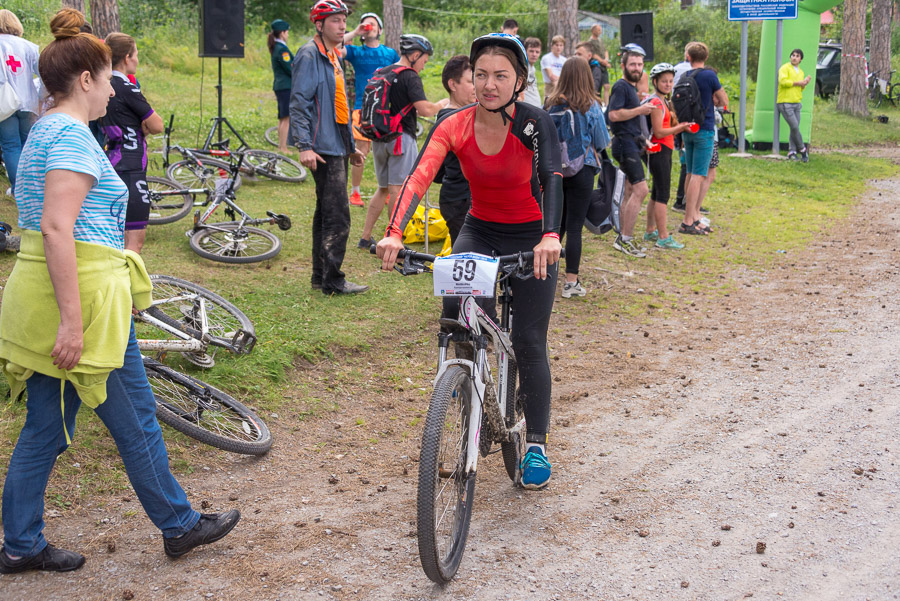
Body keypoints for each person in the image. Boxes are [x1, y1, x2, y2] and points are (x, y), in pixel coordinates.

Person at [0, 8, 240, 575]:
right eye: (109, 78)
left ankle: (29, 541)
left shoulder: (44, 131)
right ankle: (171, 525)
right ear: (85, 79)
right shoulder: (68, 137)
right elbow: (58, 228)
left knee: (64, 424)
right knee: (74, 423)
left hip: (77, 292)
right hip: (80, 298)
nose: (115, 89)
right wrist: (72, 321)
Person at [376, 33, 563, 490]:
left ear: (519, 80)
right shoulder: (453, 123)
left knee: (529, 340)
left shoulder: (535, 122)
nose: (489, 84)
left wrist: (552, 236)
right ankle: (464, 392)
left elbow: (552, 180)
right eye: (481, 75)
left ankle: (535, 444)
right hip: (479, 229)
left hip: (532, 234)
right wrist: (394, 232)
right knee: (456, 318)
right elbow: (419, 175)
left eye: (501, 75)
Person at [291, 0, 367, 295]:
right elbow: (299, 103)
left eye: (343, 20)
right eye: (335, 20)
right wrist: (304, 146)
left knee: (325, 211)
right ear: (319, 24)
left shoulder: (333, 54)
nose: (342, 25)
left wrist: (350, 146)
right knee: (337, 215)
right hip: (321, 147)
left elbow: (341, 107)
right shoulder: (310, 55)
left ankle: (320, 276)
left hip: (335, 145)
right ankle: (333, 280)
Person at [356, 34, 447, 249]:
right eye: (425, 58)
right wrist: (442, 104)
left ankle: (365, 236)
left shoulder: (382, 71)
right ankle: (392, 239)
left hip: (378, 138)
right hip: (400, 140)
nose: (425, 64)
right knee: (398, 189)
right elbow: (424, 109)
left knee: (383, 188)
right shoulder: (410, 76)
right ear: (415, 55)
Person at [546, 57, 611, 298]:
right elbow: (603, 141)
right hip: (582, 168)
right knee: (574, 227)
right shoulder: (590, 105)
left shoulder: (551, 104)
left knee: (554, 226)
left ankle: (544, 274)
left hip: (555, 171)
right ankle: (571, 282)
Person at [99, 32, 163, 254]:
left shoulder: (104, 83)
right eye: (136, 54)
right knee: (133, 243)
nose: (137, 59)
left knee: (112, 237)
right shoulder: (127, 87)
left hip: (111, 161)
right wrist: (143, 125)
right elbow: (157, 125)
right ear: (127, 57)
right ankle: (125, 288)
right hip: (131, 167)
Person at [341, 12, 399, 206]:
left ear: (380, 30)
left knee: (387, 149)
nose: (369, 26)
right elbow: (334, 47)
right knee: (361, 149)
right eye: (366, 24)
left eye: (373, 24)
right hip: (362, 107)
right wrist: (356, 32)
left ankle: (387, 189)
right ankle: (355, 192)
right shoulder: (356, 52)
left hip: (385, 109)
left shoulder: (390, 54)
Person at [607, 47, 654, 258]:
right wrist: (640, 110)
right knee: (641, 190)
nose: (637, 68)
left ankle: (623, 238)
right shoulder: (620, 86)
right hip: (624, 144)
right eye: (633, 64)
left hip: (632, 143)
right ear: (624, 66)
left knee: (628, 191)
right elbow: (614, 115)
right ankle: (625, 239)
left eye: (640, 65)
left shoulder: (631, 88)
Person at [678, 41, 727, 236]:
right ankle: (688, 220)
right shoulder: (709, 75)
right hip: (705, 129)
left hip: (687, 129)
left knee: (690, 173)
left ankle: (693, 217)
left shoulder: (684, 75)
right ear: (706, 58)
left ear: (688, 57)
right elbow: (723, 100)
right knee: (699, 174)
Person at [643, 62, 692, 250]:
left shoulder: (662, 100)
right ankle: (663, 237)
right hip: (660, 149)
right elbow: (659, 131)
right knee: (663, 194)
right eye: (664, 81)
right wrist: (680, 127)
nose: (668, 84)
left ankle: (650, 230)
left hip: (664, 149)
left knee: (656, 192)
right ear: (655, 81)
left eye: (671, 81)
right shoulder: (656, 103)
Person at [433, 55, 476, 245]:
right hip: (460, 200)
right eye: (471, 81)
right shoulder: (451, 118)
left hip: (462, 197)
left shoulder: (466, 114)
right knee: (468, 258)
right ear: (453, 84)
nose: (477, 86)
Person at [0, 9, 41, 193]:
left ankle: (18, 189)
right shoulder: (30, 46)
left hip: (5, 103)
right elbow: (43, 74)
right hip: (29, 103)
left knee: (10, 145)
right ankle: (33, 189)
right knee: (27, 146)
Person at [777, 48, 810, 162]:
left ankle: (792, 151)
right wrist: (797, 83)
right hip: (785, 102)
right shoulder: (785, 68)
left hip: (796, 102)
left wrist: (804, 83)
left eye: (797, 56)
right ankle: (803, 149)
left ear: (801, 59)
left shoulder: (800, 72)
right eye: (793, 55)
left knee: (794, 128)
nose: (794, 57)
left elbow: (800, 88)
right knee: (795, 126)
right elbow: (783, 82)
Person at [267, 19, 293, 155]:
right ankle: (283, 147)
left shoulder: (277, 47)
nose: (288, 35)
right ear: (282, 33)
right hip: (285, 86)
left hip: (281, 86)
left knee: (283, 118)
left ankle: (281, 145)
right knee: (286, 118)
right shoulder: (282, 49)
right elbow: (290, 68)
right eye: (287, 32)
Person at [588, 24, 611, 105]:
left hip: (604, 66)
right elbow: (593, 54)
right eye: (598, 30)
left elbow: (605, 50)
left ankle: (606, 104)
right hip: (596, 66)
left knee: (607, 86)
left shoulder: (600, 40)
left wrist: (606, 60)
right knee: (597, 87)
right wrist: (602, 61)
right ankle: (597, 104)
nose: (600, 32)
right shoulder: (590, 41)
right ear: (593, 30)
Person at [521, 37, 543, 108]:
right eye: (531, 51)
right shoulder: (522, 67)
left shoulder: (532, 68)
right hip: (527, 108)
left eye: (537, 52)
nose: (534, 54)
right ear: (525, 51)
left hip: (536, 107)